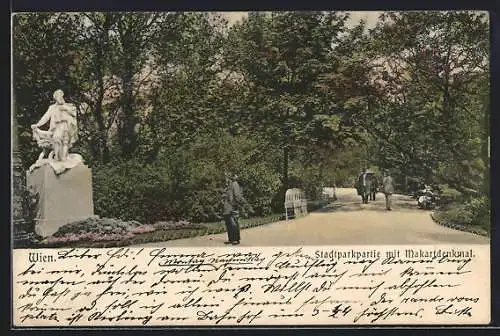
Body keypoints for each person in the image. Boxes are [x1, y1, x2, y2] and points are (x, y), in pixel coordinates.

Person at [31, 89, 78, 162]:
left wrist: (65, 108)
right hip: (57, 127)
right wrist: (37, 125)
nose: (59, 98)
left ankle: (64, 158)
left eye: (60, 96)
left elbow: (74, 113)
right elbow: (46, 117)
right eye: (57, 96)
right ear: (55, 98)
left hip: (66, 125)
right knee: (56, 139)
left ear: (62, 96)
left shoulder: (68, 106)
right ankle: (57, 157)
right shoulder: (52, 107)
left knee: (65, 142)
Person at [222, 172, 245, 245]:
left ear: (230, 177)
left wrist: (236, 204)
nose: (226, 179)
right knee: (228, 223)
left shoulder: (235, 184)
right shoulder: (228, 186)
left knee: (233, 223)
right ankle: (231, 239)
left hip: (232, 207)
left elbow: (237, 195)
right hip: (227, 207)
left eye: (227, 177)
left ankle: (236, 239)